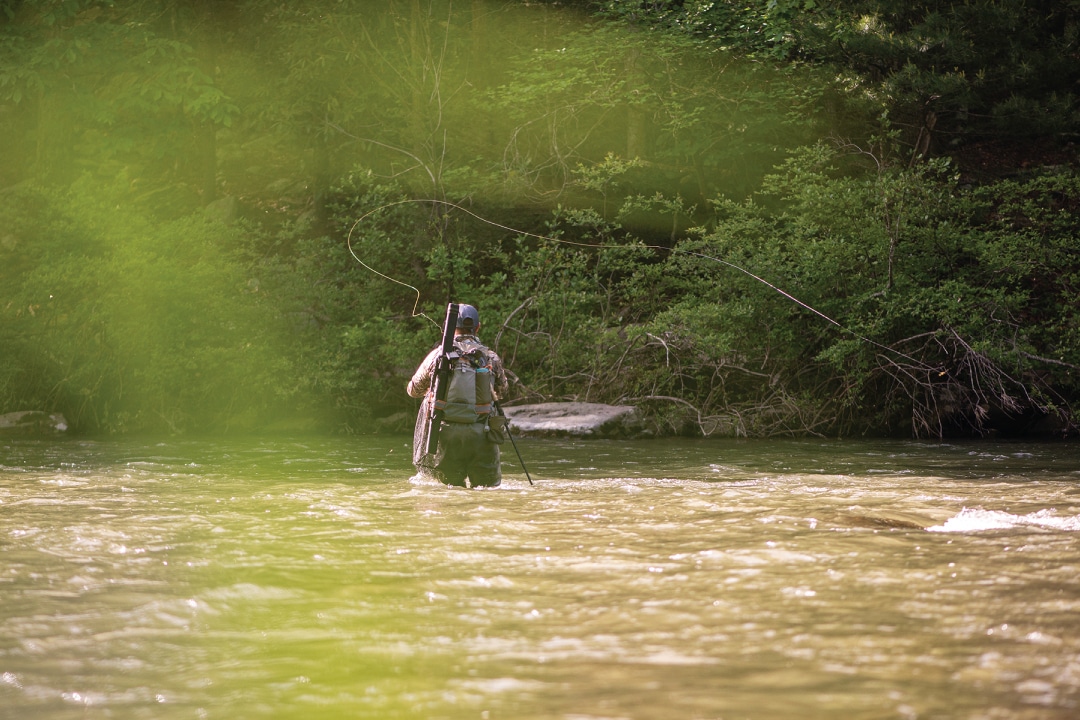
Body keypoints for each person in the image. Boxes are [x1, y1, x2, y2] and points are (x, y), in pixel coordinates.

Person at [407, 304, 509, 488]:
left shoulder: (437, 356)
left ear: (451, 327)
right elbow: (503, 391)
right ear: (477, 327)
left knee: (450, 492)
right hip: (482, 434)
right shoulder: (491, 357)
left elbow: (412, 390)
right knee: (488, 492)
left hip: (446, 436)